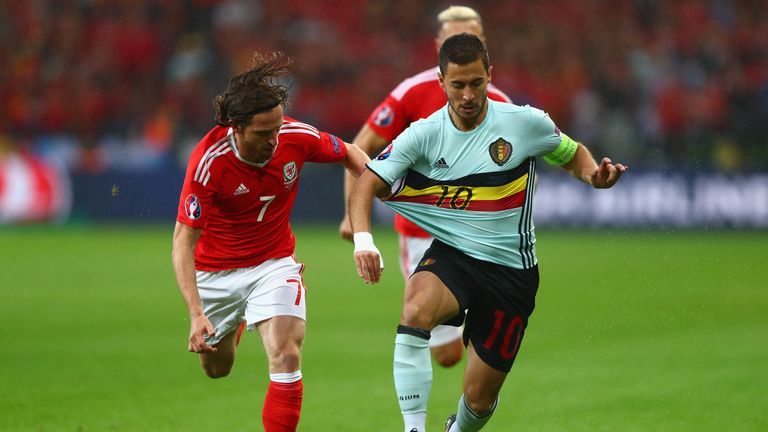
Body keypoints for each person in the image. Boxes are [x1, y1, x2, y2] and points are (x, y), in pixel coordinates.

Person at [349, 34, 627, 432]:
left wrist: (593, 176)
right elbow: (366, 183)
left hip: (511, 274)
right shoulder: (424, 134)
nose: (467, 94)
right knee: (415, 309)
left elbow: (571, 153)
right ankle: (413, 428)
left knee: (479, 400)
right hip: (455, 257)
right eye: (458, 84)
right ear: (441, 82)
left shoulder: (524, 123)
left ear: (489, 77)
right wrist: (363, 240)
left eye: (476, 83)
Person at [171, 51, 369, 432]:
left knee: (286, 356)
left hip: (274, 264)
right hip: (216, 274)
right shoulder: (208, 162)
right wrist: (197, 314)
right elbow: (183, 241)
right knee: (217, 368)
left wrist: (381, 190)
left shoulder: (296, 137)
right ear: (237, 128)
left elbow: (351, 154)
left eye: (278, 129)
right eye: (264, 134)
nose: (275, 140)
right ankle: (241, 319)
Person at [340, 5, 511, 368]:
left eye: (472, 39)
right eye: (453, 39)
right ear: (439, 46)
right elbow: (360, 147)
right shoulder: (412, 92)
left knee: (487, 330)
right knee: (448, 354)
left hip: (479, 233)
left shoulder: (501, 104)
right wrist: (352, 215)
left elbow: (522, 173)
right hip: (423, 230)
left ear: (483, 44)